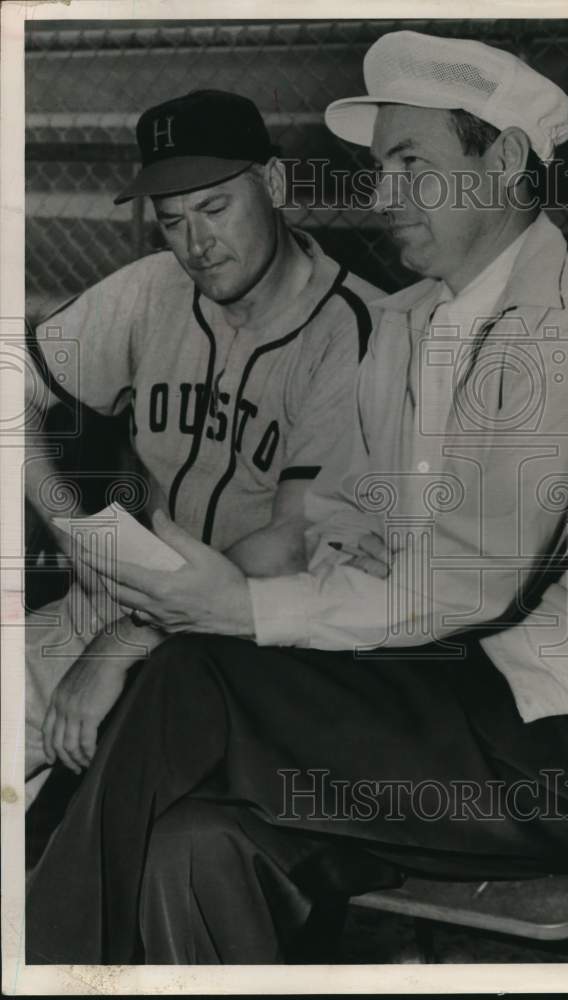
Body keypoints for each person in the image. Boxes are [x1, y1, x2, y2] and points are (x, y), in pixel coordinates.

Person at [26, 32, 568, 965]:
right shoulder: (404, 325)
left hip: (542, 757)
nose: (380, 194)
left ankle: (43, 962)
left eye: (409, 163)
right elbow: (338, 523)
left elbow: (467, 592)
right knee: (196, 848)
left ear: (502, 159)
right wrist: (167, 621)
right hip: (403, 709)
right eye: (378, 166)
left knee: (195, 675)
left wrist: (232, 609)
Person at [24, 89, 379, 800]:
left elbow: (292, 543)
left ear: (274, 185)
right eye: (172, 220)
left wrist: (118, 644)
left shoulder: (354, 329)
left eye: (215, 208)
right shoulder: (153, 289)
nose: (195, 245)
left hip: (247, 645)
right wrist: (67, 525)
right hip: (112, 605)